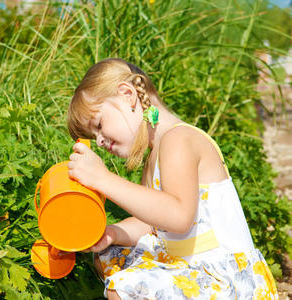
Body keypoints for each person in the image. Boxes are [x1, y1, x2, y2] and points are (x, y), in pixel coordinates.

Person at [66, 58, 278, 300]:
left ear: (127, 95)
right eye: (94, 136)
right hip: (193, 266)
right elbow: (153, 224)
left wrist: (104, 179)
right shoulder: (153, 157)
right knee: (109, 255)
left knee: (123, 288)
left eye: (100, 125)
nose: (101, 140)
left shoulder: (178, 140)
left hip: (227, 278)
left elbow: (178, 216)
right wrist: (112, 233)